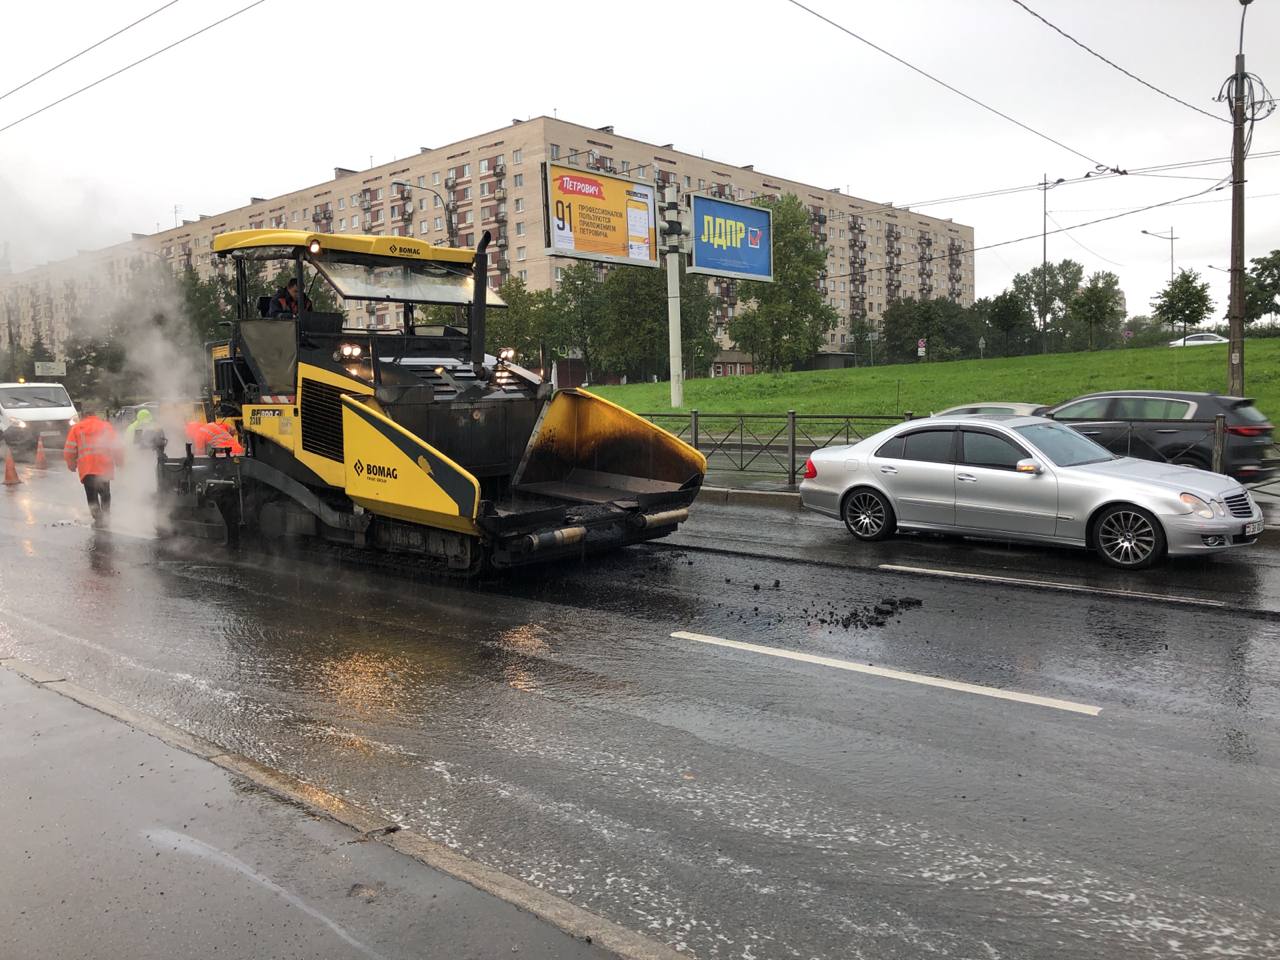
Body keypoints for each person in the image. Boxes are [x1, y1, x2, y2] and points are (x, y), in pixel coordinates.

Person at [64, 402, 123, 526]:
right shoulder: (106, 426)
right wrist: (119, 461)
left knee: (91, 494)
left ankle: (98, 519)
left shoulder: (77, 428)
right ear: (95, 414)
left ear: (83, 415)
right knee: (105, 492)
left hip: (87, 468)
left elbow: (69, 449)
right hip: (104, 466)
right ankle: (106, 516)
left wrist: (71, 464)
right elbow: (116, 445)